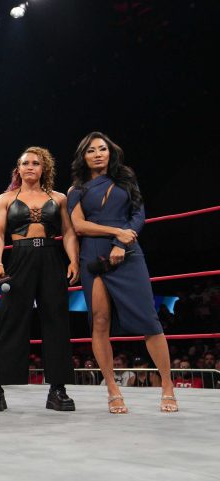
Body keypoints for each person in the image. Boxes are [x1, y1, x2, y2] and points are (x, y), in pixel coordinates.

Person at [68, 131, 177, 413]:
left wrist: (120, 242)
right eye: (91, 151)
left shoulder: (126, 178)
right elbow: (79, 226)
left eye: (102, 149)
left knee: (149, 319)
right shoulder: (76, 190)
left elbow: (138, 216)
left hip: (128, 252)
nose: (97, 154)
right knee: (100, 321)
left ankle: (167, 386)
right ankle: (112, 390)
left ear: (110, 152)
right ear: (83, 157)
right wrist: (116, 232)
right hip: (93, 254)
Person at [0, 147, 79, 412]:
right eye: (25, 163)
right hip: (20, 256)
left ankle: (58, 389)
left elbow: (68, 232)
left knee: (56, 321)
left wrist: (73, 260)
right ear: (18, 168)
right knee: (11, 320)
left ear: (44, 168)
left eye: (35, 163)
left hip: (51, 256)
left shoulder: (59, 198)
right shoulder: (4, 199)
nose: (30, 166)